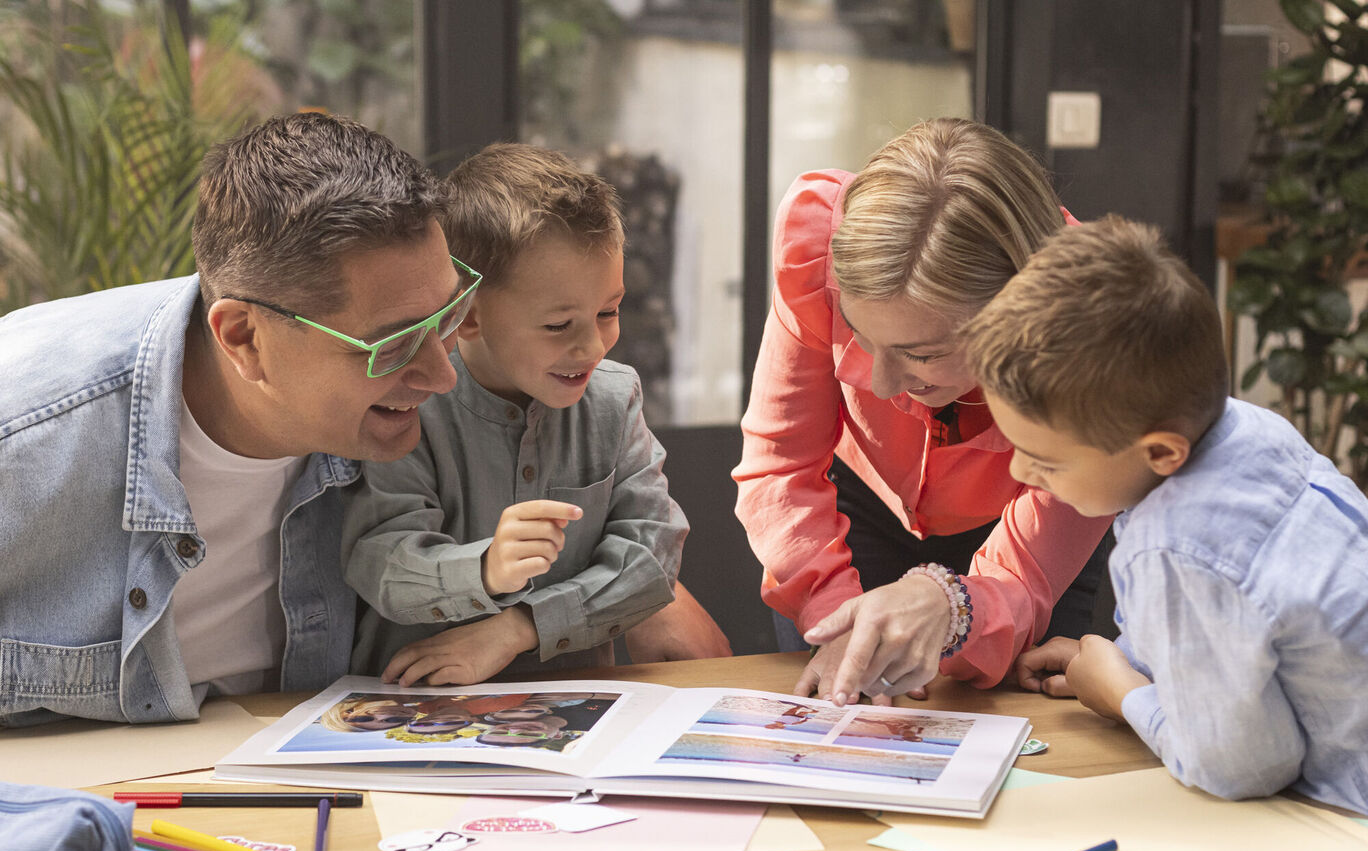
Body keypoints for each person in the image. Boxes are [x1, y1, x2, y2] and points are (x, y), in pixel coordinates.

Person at [0, 112, 461, 727]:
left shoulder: (440, 404)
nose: (443, 375)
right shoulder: (24, 438)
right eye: (394, 343)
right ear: (244, 337)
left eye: (450, 313)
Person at [961, 216, 1368, 814]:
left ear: (1159, 452)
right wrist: (1128, 658)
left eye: (1045, 460)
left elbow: (1245, 765)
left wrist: (1122, 693)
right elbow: (1248, 631)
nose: (1021, 474)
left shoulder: (1173, 546)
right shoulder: (1249, 431)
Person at [732, 118, 1112, 705]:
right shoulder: (820, 247)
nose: (880, 386)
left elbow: (1025, 576)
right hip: (849, 518)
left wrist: (955, 605)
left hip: (1023, 529)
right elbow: (780, 465)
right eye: (858, 335)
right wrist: (837, 612)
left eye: (921, 354)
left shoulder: (1092, 327)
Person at [343, 142, 703, 687]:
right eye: (559, 326)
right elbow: (378, 559)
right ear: (466, 316)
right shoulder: (408, 402)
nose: (593, 347)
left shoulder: (614, 397)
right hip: (416, 707)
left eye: (608, 312)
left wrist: (518, 627)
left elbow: (651, 561)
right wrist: (482, 571)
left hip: (577, 714)